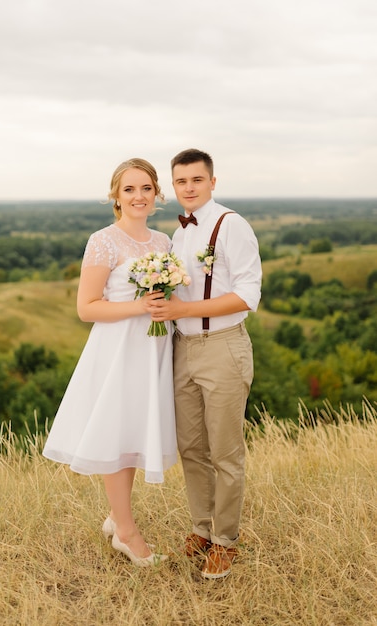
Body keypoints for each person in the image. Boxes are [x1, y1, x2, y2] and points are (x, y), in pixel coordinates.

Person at [43, 158, 177, 567]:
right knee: (117, 437)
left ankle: (116, 517)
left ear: (156, 194)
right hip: (118, 350)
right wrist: (139, 307)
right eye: (129, 189)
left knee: (133, 436)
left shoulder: (164, 243)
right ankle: (126, 531)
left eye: (146, 188)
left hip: (153, 349)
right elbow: (87, 307)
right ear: (116, 197)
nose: (138, 196)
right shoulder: (103, 241)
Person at [147, 148, 262, 579]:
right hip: (183, 349)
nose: (189, 188)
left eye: (197, 180)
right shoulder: (178, 235)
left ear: (213, 182)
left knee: (225, 452)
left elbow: (248, 294)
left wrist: (182, 312)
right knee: (192, 448)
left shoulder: (232, 225)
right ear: (173, 187)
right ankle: (201, 529)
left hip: (223, 347)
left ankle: (227, 541)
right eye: (181, 181)